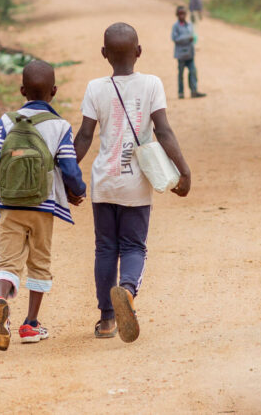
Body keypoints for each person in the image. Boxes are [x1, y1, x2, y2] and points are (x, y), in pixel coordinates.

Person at [74, 23, 191, 343]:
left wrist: (67, 175)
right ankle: (126, 290)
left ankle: (107, 319)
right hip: (136, 183)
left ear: (104, 55)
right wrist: (183, 169)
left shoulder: (95, 88)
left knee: (105, 248)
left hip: (104, 183)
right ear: (138, 52)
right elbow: (163, 131)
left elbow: (84, 136)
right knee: (134, 246)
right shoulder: (152, 84)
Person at [0, 61, 87, 351]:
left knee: (8, 262)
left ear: (22, 90)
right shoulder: (60, 126)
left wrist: (3, 184)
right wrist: (77, 191)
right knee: (39, 264)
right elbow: (69, 167)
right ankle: (30, 324)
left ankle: (1, 300)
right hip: (43, 207)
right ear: (54, 92)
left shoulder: (6, 121)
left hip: (10, 204)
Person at [172, 6, 206, 99]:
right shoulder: (176, 26)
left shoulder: (189, 25)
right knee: (181, 74)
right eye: (180, 13)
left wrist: (191, 39)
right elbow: (175, 39)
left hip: (190, 53)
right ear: (177, 15)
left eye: (183, 13)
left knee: (193, 72)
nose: (182, 15)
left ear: (186, 14)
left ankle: (194, 91)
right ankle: (181, 92)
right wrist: (187, 37)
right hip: (181, 54)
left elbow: (193, 36)